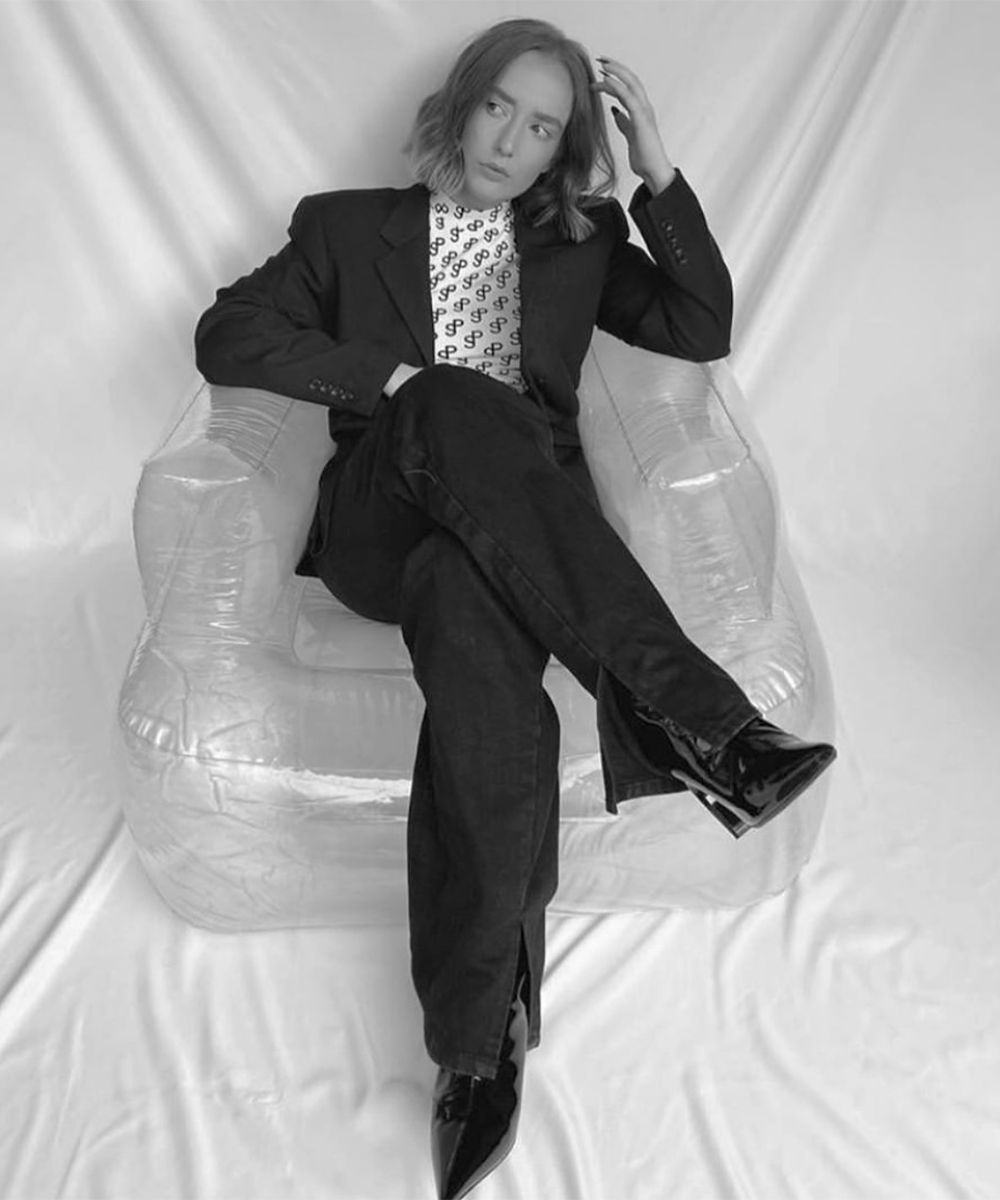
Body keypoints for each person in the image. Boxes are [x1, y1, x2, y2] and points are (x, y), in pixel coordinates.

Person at [194, 17, 836, 1199]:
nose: (511, 142)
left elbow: (699, 325)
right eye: (500, 108)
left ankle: (477, 1042)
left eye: (543, 128)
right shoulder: (342, 226)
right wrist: (388, 381)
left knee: (475, 638)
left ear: (560, 153)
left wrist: (657, 175)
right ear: (462, 103)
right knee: (448, 402)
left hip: (509, 546)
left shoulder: (578, 242)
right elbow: (224, 332)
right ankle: (696, 722)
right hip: (384, 517)